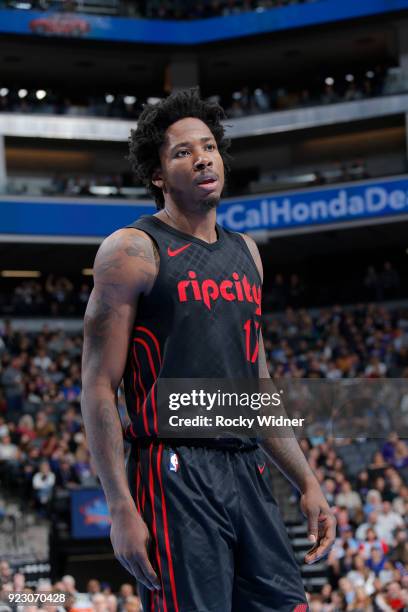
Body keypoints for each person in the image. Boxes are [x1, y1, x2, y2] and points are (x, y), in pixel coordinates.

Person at [81, 89, 336, 612]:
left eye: (209, 147)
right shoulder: (132, 251)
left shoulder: (247, 254)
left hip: (247, 467)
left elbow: (256, 384)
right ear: (157, 175)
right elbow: (99, 386)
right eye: (182, 152)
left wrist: (306, 479)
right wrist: (119, 506)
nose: (202, 158)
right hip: (174, 470)